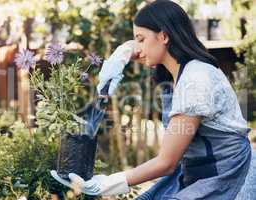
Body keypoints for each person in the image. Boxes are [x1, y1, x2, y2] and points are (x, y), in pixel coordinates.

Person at [51, 0, 256, 199]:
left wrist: (106, 184)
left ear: (164, 36)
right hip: (200, 173)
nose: (138, 48)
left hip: (228, 177)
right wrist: (123, 53)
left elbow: (166, 162)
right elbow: (146, 42)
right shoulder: (178, 72)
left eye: (141, 39)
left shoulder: (196, 80)